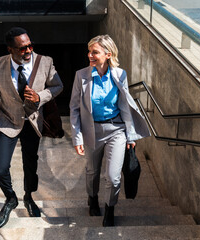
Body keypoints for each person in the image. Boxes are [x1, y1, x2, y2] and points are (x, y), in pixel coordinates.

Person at [0, 27, 63, 228]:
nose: (28, 50)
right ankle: (10, 198)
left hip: (32, 121)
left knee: (31, 165)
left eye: (30, 45)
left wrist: (41, 97)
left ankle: (29, 196)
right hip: (7, 121)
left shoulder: (45, 62)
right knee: (0, 168)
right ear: (10, 49)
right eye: (22, 48)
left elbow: (57, 86)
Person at [69, 34, 150, 227]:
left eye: (95, 52)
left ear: (108, 54)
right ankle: (93, 198)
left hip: (116, 129)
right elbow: (74, 108)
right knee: (92, 171)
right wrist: (77, 138)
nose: (90, 55)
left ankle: (110, 209)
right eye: (89, 51)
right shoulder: (81, 76)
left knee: (113, 177)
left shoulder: (120, 74)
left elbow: (124, 105)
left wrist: (130, 135)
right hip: (92, 131)